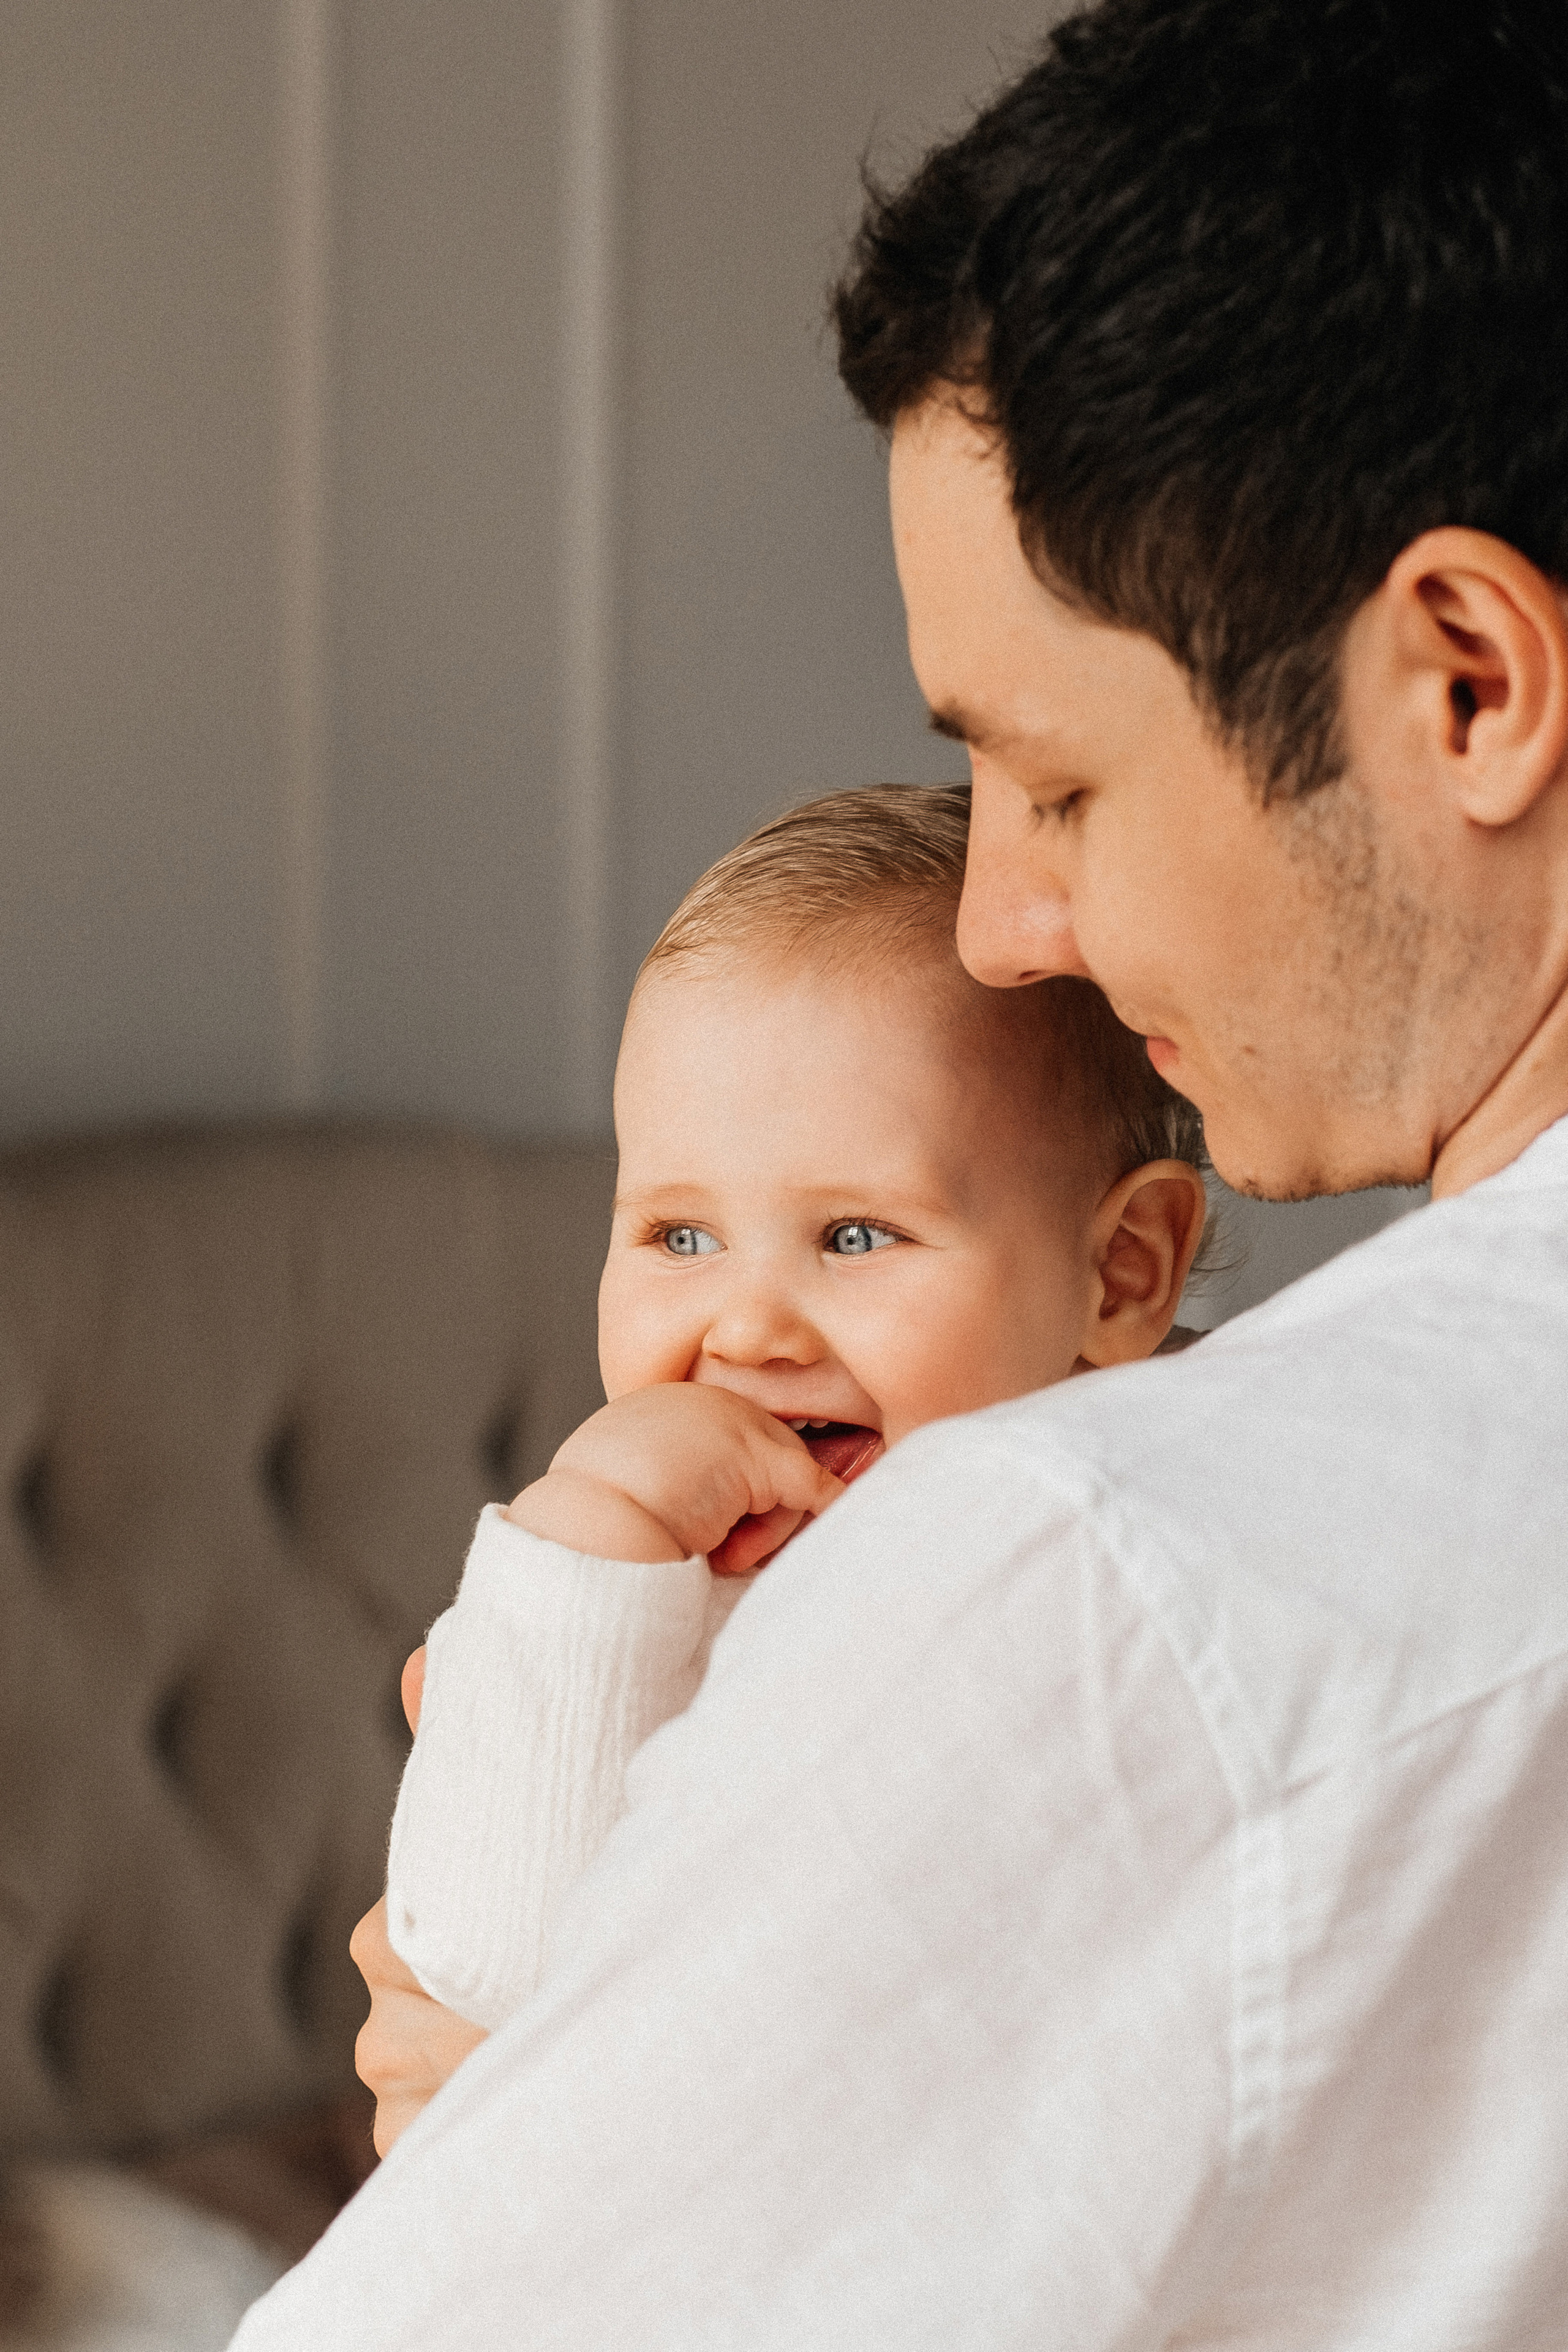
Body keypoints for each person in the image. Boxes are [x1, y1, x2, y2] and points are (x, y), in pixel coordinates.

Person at [233, 1, 1568, 2342]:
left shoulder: (1102, 1587)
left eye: (1052, 782)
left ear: (1466, 682)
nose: (1006, 926)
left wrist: (527, 2135)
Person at [352, 783, 1210, 2135]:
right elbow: (490, 1972)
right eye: (677, 1237)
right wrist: (590, 1544)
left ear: (1118, 1272)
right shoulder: (623, 1596)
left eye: (854, 1236)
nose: (745, 1326)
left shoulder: (1156, 1573)